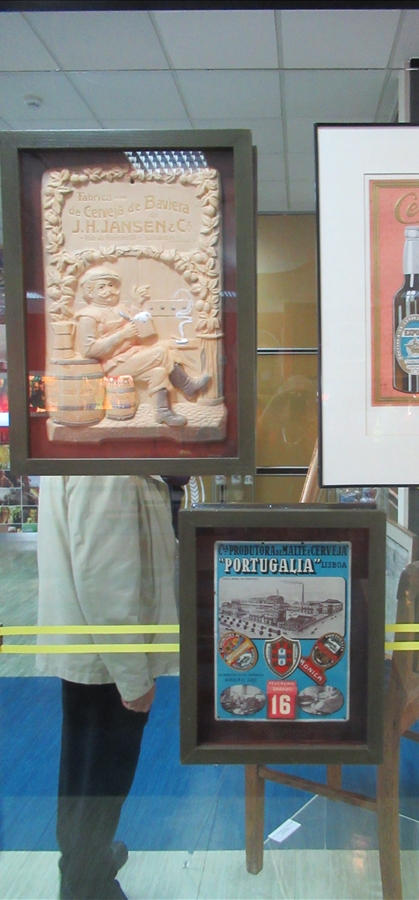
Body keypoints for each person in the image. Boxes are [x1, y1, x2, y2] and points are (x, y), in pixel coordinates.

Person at [36, 475, 179, 900]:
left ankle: (89, 861)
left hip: (100, 654)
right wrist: (132, 676)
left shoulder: (100, 459)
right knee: (98, 783)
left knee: (88, 777)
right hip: (108, 661)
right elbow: (104, 581)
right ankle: (86, 883)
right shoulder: (106, 467)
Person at [75, 265, 210, 427]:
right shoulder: (88, 316)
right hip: (112, 366)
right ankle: (187, 385)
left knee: (159, 372)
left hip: (131, 356)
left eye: (111, 285)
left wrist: (137, 304)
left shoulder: (117, 309)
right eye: (102, 287)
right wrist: (122, 335)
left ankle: (162, 412)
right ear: (90, 292)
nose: (109, 290)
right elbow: (88, 350)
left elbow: (131, 320)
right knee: (162, 352)